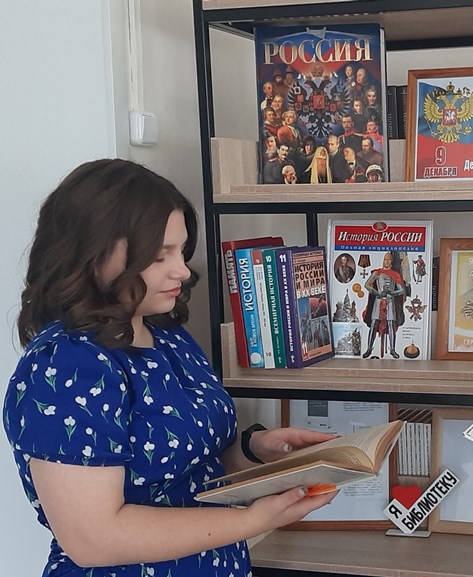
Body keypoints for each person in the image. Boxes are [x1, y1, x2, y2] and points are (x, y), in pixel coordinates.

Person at [3, 159, 340, 577]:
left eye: (181, 251)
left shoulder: (166, 334)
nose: (181, 270)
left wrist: (252, 452)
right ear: (92, 255)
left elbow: (189, 471)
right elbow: (93, 539)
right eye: (159, 256)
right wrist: (254, 520)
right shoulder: (66, 367)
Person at [362, 252, 407, 359]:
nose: (387, 262)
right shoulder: (377, 273)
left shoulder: (395, 275)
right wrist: (377, 293)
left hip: (390, 301)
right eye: (385, 259)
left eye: (389, 259)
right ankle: (369, 349)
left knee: (391, 324)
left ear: (391, 261)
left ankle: (392, 350)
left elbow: (401, 290)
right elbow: (367, 285)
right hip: (378, 300)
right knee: (374, 323)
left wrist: (392, 292)